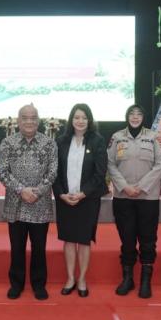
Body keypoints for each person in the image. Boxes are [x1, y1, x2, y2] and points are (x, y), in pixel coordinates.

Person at [0, 104, 57, 301]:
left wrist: (37, 191)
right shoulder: (7, 143)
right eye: (25, 118)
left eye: (33, 118)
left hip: (40, 205)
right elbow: (2, 171)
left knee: (39, 248)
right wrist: (21, 190)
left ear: (38, 121)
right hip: (16, 204)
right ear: (18, 120)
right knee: (17, 247)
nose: (29, 121)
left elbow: (53, 172)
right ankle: (17, 283)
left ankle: (39, 285)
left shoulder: (49, 143)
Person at [107, 104, 161, 298]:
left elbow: (160, 165)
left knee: (148, 240)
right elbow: (110, 164)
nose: (135, 117)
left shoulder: (154, 136)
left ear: (144, 117)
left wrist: (140, 187)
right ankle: (128, 279)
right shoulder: (116, 137)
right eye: (131, 114)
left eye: (139, 114)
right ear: (126, 116)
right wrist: (125, 187)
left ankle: (146, 281)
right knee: (128, 239)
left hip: (147, 197)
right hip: (123, 198)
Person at [53, 104, 108, 298]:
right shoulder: (61, 141)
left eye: (84, 117)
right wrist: (61, 194)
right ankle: (70, 278)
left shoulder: (98, 141)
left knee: (84, 240)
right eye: (77, 117)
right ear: (71, 119)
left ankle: (82, 279)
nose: (80, 121)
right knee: (68, 239)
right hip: (65, 199)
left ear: (89, 120)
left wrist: (83, 193)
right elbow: (55, 172)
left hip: (88, 199)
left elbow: (100, 173)